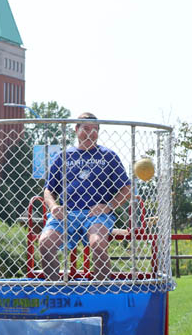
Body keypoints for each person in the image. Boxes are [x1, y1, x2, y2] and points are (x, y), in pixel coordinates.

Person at [38, 112, 131, 280]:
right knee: (45, 242)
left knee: (97, 244)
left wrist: (108, 206)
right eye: (86, 128)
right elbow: (49, 189)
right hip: (67, 214)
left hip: (96, 215)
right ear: (76, 129)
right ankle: (56, 289)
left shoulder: (108, 156)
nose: (91, 133)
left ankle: (103, 292)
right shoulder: (63, 156)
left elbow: (126, 189)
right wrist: (53, 207)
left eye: (95, 129)